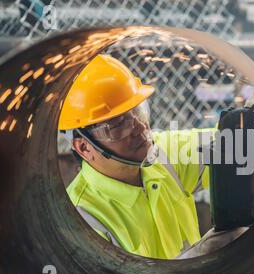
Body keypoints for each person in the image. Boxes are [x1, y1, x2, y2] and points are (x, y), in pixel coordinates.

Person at [59, 54, 210, 259]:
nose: (139, 127)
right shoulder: (83, 220)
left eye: (138, 112)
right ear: (84, 148)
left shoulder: (163, 154)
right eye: (118, 125)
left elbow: (233, 144)